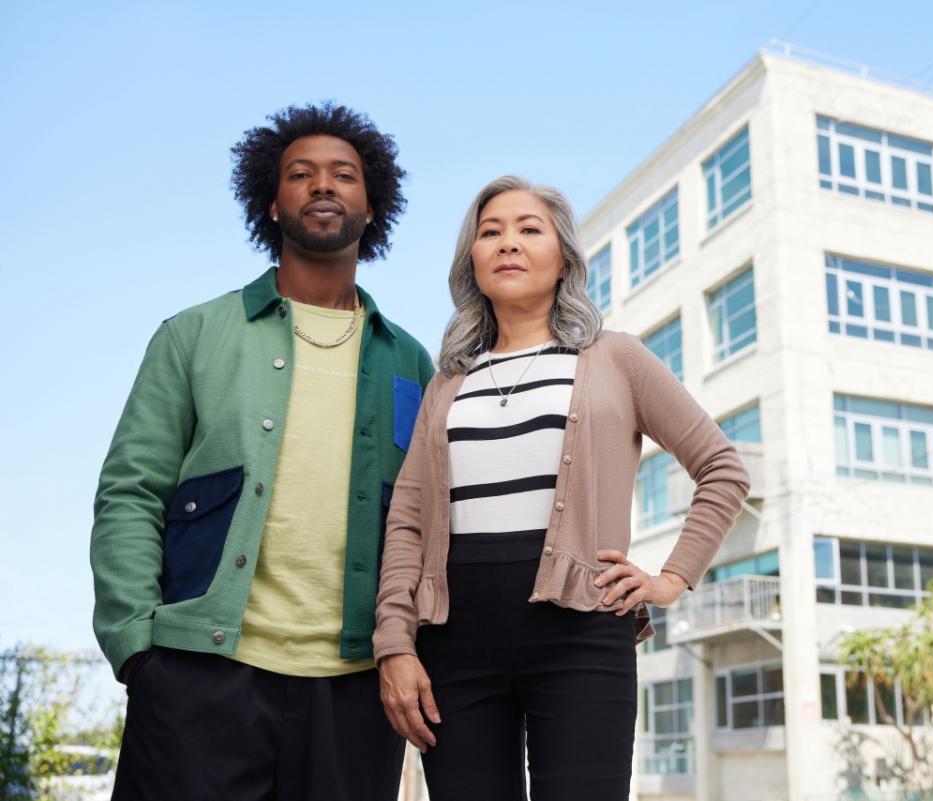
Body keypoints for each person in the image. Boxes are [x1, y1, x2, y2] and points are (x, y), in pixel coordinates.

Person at [90, 102, 434, 801]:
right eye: (300, 174)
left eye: (344, 174)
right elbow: (131, 490)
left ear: (373, 208)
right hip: (198, 674)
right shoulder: (193, 335)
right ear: (271, 204)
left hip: (355, 688)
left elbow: (430, 522)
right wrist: (137, 649)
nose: (322, 185)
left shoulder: (412, 362)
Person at [374, 175, 751, 800]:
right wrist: (394, 642)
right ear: (471, 259)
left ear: (564, 258)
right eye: (489, 232)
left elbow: (722, 469)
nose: (508, 243)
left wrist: (670, 580)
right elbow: (409, 519)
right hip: (453, 638)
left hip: (581, 629)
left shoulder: (616, 358)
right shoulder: (448, 383)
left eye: (529, 229)